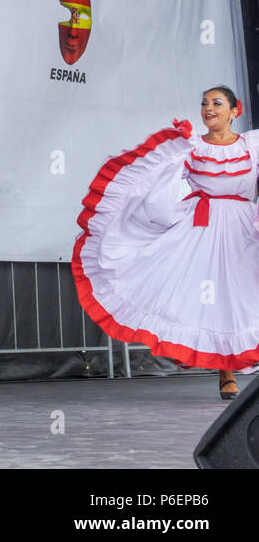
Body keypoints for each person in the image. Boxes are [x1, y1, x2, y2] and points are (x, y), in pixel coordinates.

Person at [73, 85, 259, 399]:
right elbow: (152, 179)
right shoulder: (191, 148)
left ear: (235, 110)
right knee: (215, 303)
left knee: (248, 295)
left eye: (216, 103)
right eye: (204, 103)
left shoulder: (253, 146)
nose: (208, 109)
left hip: (244, 228)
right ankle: (226, 374)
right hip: (203, 230)